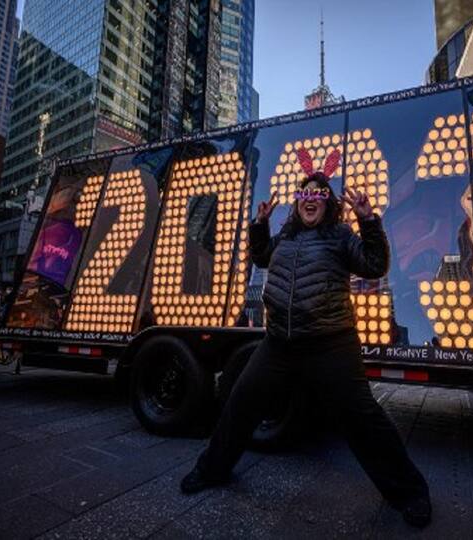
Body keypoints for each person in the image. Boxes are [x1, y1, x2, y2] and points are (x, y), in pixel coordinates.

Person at [180, 158, 432, 528]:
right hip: (279, 342)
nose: (310, 198)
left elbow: (375, 265)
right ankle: (211, 469)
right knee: (240, 402)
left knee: (363, 418)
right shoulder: (286, 236)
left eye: (319, 194)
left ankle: (410, 493)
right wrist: (260, 225)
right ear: (298, 201)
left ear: (328, 203)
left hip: (331, 342)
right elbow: (262, 257)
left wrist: (368, 221)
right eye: (304, 193)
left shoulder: (340, 236)